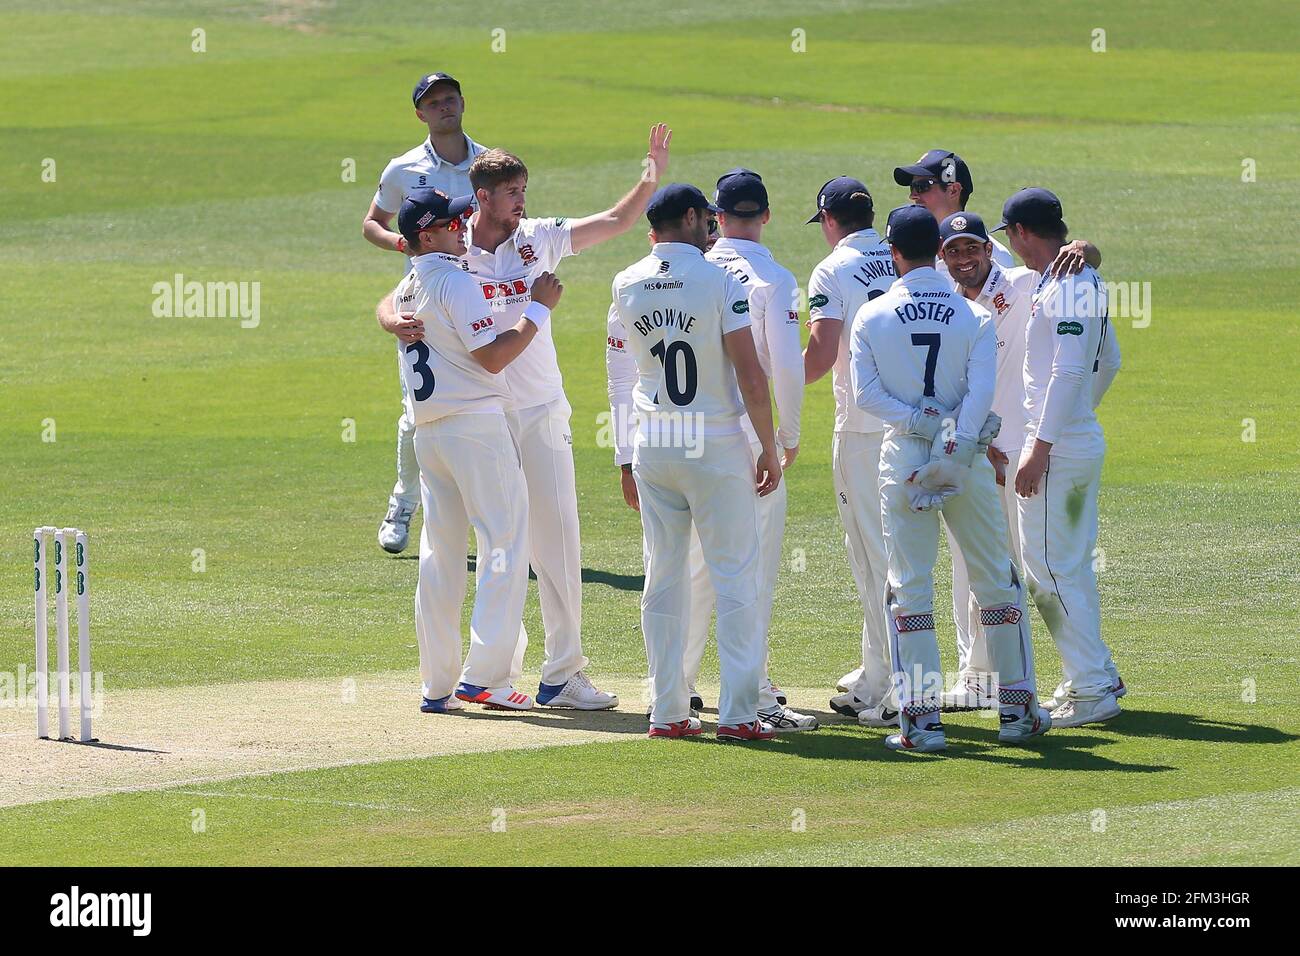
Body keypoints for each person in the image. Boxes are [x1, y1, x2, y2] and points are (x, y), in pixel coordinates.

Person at [378, 126, 673, 710]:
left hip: (536, 408)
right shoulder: (457, 257)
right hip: (483, 416)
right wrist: (387, 317)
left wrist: (650, 177)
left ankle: (561, 671)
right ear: (480, 198)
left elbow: (614, 223)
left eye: (524, 189)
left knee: (556, 540)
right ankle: (493, 675)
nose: (521, 200)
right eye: (511, 191)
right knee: (502, 545)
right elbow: (404, 288)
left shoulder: (537, 238)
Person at [608, 170, 815, 731]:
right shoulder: (723, 280)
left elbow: (619, 373)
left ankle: (668, 709)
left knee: (664, 576)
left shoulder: (625, 282)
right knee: (736, 578)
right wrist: (770, 447)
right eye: (705, 219)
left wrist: (624, 457)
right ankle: (740, 713)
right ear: (696, 220)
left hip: (655, 442)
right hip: (715, 442)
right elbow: (751, 375)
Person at [850, 205, 1049, 751]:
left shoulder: (872, 316)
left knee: (909, 586)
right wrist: (955, 440)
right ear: (937, 253)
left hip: (905, 458)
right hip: (964, 457)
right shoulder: (973, 317)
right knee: (994, 576)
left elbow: (867, 398)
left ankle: (921, 724)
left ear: (893, 253)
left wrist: (922, 425)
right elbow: (980, 394)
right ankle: (1019, 712)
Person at [381, 188, 558, 713]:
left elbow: (389, 305)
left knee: (440, 557)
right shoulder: (457, 282)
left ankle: (437, 686)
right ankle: (486, 678)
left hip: (429, 434)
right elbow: (494, 358)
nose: (465, 229)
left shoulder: (407, 285)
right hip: (475, 428)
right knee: (504, 544)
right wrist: (538, 309)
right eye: (455, 224)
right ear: (428, 234)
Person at [996, 188, 1124, 727]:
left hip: (1057, 450)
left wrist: (1042, 446)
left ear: (1023, 231)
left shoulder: (1069, 283)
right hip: (1071, 441)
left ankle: (1092, 690)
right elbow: (1109, 360)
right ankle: (1092, 675)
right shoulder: (1066, 275)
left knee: (1048, 572)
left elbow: (1071, 371)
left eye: (1013, 237)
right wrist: (1073, 424)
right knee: (1066, 568)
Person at [363, 72, 490, 555]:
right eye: (433, 103)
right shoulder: (404, 168)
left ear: (463, 102)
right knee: (419, 411)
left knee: (496, 405)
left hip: (483, 293)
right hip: (428, 292)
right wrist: (405, 241)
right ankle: (403, 503)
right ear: (421, 113)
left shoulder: (488, 161)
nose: (444, 108)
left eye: (450, 99)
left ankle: (498, 523)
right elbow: (372, 223)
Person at [800, 177, 899, 728]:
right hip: (911, 425)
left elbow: (817, 358)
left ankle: (900, 689)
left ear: (829, 221)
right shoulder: (904, 252)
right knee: (884, 556)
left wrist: (762, 374)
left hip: (862, 431)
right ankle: (877, 673)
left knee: (875, 558)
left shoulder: (832, 269)